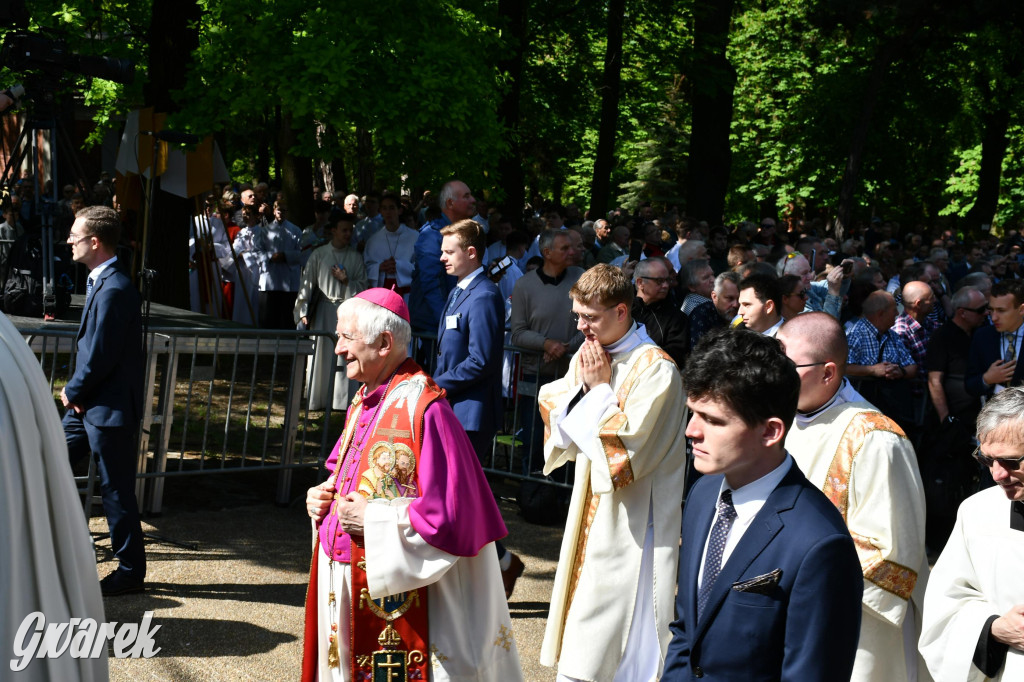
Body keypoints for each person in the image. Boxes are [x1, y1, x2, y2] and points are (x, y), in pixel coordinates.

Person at [302, 289, 522, 682]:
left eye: (345, 338)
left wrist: (373, 519)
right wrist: (321, 495)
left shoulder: (427, 409)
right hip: (348, 583)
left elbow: (451, 516)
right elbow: (343, 472)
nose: (337, 349)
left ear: (384, 343)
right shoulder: (365, 397)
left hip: (408, 597)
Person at [663, 328, 863, 680]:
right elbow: (687, 631)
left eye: (713, 420)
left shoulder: (819, 544)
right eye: (693, 412)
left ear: (771, 431)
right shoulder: (703, 494)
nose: (691, 431)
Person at [539, 264, 688, 681]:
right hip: (591, 502)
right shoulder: (592, 351)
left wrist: (600, 390)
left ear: (622, 311)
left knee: (623, 623)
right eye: (577, 316)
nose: (581, 326)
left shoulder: (657, 370)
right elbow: (556, 401)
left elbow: (630, 454)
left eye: (591, 317)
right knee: (586, 608)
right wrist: (587, 389)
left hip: (638, 519)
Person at [777, 313, 931, 682]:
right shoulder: (780, 422)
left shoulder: (876, 439)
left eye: (787, 366)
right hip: (787, 603)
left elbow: (893, 553)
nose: (774, 375)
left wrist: (799, 576)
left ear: (828, 373)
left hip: (854, 619)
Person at [60, 205, 146, 596]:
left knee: (116, 491)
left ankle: (130, 571)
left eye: (74, 237)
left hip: (105, 410)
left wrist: (73, 390)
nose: (68, 242)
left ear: (94, 242)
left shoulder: (114, 288)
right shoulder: (104, 283)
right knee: (47, 462)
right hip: (88, 409)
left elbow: (101, 355)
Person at [919, 387, 1024, 681]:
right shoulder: (978, 512)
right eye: (987, 460)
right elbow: (945, 607)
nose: (997, 475)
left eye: (1012, 462)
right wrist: (993, 628)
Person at [509, 229, 585, 473]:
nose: (572, 252)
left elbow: (588, 324)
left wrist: (564, 348)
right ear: (547, 253)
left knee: (566, 439)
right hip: (535, 375)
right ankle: (530, 492)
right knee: (533, 437)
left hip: (571, 377)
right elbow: (518, 332)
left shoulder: (579, 278)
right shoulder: (525, 285)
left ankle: (559, 497)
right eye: (565, 248)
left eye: (572, 247)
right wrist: (546, 344)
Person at [294, 213, 367, 411]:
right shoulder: (319, 254)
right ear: (333, 230)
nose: (348, 234)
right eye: (344, 230)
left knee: (345, 354)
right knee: (321, 353)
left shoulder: (355, 257)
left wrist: (346, 281)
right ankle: (318, 399)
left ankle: (342, 401)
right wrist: (303, 310)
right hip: (324, 310)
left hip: (347, 311)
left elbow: (363, 286)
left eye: (350, 230)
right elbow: (306, 283)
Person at [409, 180, 476, 334]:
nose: (473, 200)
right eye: (466, 196)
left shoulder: (464, 233)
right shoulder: (431, 236)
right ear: (450, 203)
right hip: (434, 328)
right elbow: (433, 286)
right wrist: (448, 326)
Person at [966, 279, 1024, 397]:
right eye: (991, 310)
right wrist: (986, 379)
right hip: (994, 412)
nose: (994, 318)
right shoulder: (983, 336)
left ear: (1021, 310)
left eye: (1001, 311)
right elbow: (969, 385)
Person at [252, 200, 303, 329]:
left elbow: (302, 253)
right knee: (269, 318)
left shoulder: (295, 230)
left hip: (289, 281)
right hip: (270, 280)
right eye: (279, 210)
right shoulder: (265, 231)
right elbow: (257, 251)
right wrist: (270, 256)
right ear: (274, 211)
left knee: (286, 318)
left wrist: (285, 256)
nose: (281, 213)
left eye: (284, 210)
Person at [631, 257, 690, 367]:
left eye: (667, 280)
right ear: (640, 283)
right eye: (659, 281)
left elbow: (676, 355)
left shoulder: (676, 318)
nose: (666, 285)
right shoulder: (623, 311)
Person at [363, 194, 418, 298]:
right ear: (380, 211)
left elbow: (421, 266)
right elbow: (366, 267)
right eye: (384, 208)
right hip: (382, 293)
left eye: (392, 208)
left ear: (400, 210)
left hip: (407, 292)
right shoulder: (373, 240)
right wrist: (379, 267)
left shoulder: (414, 236)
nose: (388, 212)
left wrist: (399, 266)